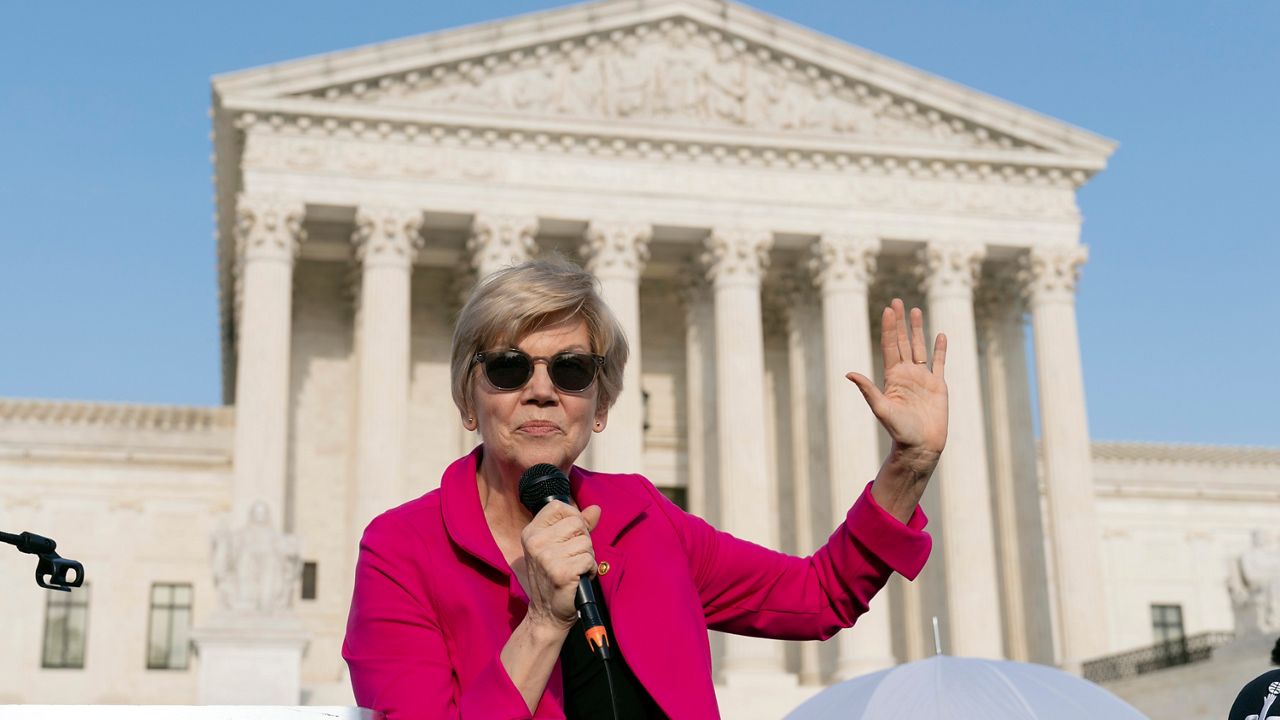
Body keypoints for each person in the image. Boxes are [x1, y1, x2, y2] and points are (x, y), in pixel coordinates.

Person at [342, 256, 947, 719]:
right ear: (467, 399)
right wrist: (543, 624)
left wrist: (910, 463)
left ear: (599, 406)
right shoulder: (404, 549)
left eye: (572, 370)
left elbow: (817, 595)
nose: (542, 391)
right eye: (509, 367)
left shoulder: (643, 516)